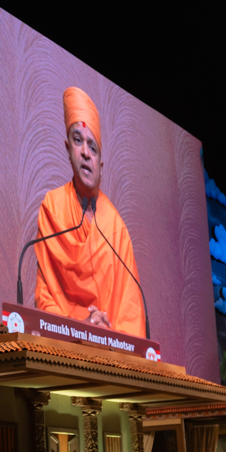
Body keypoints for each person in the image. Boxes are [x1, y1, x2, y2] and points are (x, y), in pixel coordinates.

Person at [33, 87, 146, 336]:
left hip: (112, 352)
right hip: (63, 345)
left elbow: (131, 313)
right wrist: (82, 326)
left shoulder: (117, 230)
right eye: (77, 140)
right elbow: (44, 297)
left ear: (101, 166)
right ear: (67, 149)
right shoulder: (52, 208)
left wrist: (105, 331)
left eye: (93, 147)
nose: (85, 152)